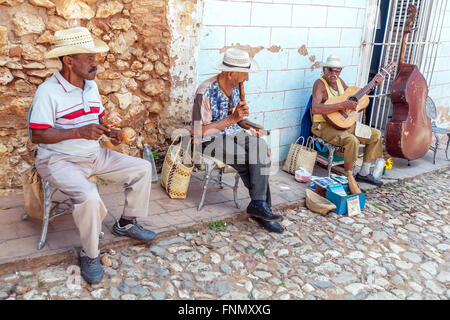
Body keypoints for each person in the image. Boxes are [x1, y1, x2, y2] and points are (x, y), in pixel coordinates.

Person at [29, 27, 157, 284]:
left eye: (94, 57)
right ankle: (90, 254)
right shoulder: (48, 91)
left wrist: (113, 133)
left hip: (93, 154)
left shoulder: (91, 86)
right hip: (58, 160)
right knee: (89, 196)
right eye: (88, 57)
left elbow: (98, 120)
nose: (94, 62)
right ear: (69, 60)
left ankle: (126, 223)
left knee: (142, 168)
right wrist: (78, 131)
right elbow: (38, 135)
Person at [192, 48, 284, 233]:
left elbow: (238, 119)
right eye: (245, 74)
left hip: (233, 132)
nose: (247, 79)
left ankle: (258, 204)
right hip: (209, 139)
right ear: (231, 73)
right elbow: (198, 131)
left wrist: (251, 126)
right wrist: (232, 120)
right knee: (248, 158)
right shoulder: (205, 92)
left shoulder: (236, 87)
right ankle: (262, 210)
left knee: (261, 149)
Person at [311, 55, 385, 194]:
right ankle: (349, 176)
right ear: (324, 69)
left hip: (342, 123)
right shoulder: (320, 84)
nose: (333, 73)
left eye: (337, 70)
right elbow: (315, 108)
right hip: (323, 126)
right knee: (352, 140)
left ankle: (363, 173)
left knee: (376, 134)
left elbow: (355, 97)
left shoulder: (340, 82)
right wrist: (341, 105)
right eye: (330, 69)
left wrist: (373, 85)